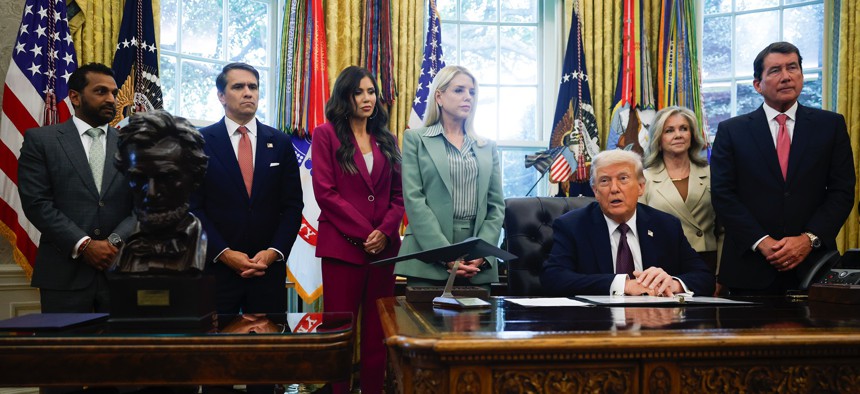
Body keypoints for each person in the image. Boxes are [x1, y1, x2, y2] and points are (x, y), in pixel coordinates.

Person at [711, 42, 855, 295]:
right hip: (750, 269)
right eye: (775, 70)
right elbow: (723, 195)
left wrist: (808, 239)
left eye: (793, 67)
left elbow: (842, 191)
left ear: (801, 75)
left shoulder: (830, 125)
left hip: (813, 267)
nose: (786, 76)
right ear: (758, 84)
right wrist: (762, 242)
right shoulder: (731, 131)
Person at [311, 65, 404, 394]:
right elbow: (326, 193)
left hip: (384, 251)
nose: (367, 98)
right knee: (338, 330)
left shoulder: (388, 139)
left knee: (379, 329)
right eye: (359, 92)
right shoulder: (325, 135)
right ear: (344, 96)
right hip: (342, 248)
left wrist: (385, 232)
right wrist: (367, 233)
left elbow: (399, 196)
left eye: (371, 92)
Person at [18, 63, 135, 313]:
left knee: (122, 341)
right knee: (65, 341)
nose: (111, 99)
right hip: (63, 275)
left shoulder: (133, 144)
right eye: (101, 91)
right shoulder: (41, 141)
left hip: (121, 273)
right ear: (75, 97)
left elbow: (144, 205)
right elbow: (37, 203)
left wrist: (114, 242)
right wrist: (84, 245)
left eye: (114, 93)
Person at [190, 62, 303, 315]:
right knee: (216, 339)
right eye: (238, 87)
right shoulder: (198, 141)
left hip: (267, 271)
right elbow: (193, 207)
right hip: (217, 270)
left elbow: (293, 206)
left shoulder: (280, 142)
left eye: (253, 87)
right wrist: (224, 253)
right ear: (221, 96)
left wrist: (273, 252)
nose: (248, 93)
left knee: (270, 339)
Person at [541, 149, 715, 296]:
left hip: (656, 321)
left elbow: (704, 278)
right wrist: (622, 284)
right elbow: (553, 279)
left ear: (641, 187)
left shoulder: (666, 225)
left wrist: (673, 284)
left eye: (623, 178)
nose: (614, 189)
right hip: (597, 321)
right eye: (604, 181)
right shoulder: (572, 226)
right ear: (595, 191)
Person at [395, 65, 505, 290]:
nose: (468, 97)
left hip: (476, 262)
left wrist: (481, 252)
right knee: (422, 315)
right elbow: (414, 200)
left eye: (472, 92)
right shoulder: (416, 139)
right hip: (427, 256)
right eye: (459, 90)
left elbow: (496, 206)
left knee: (479, 314)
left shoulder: (487, 146)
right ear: (439, 97)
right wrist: (445, 254)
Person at [114, 110, 208, 273]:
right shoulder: (125, 248)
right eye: (139, 178)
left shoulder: (204, 247)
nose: (151, 193)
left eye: (167, 178)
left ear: (195, 179)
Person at [640, 106, 720, 288]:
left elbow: (724, 229)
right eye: (669, 130)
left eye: (683, 128)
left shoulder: (712, 174)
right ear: (658, 139)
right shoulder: (644, 179)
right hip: (661, 266)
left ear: (692, 135)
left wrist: (721, 274)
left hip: (707, 262)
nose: (678, 135)